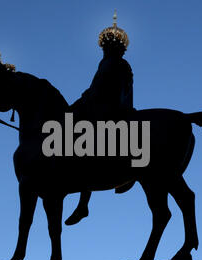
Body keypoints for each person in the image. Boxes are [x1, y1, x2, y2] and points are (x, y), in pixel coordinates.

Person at [66, 11, 135, 226]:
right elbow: (94, 89)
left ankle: (83, 203)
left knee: (80, 143)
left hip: (110, 110)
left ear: (115, 48)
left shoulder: (116, 64)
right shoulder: (107, 64)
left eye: (108, 47)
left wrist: (86, 101)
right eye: (104, 47)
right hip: (105, 107)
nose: (105, 50)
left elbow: (105, 90)